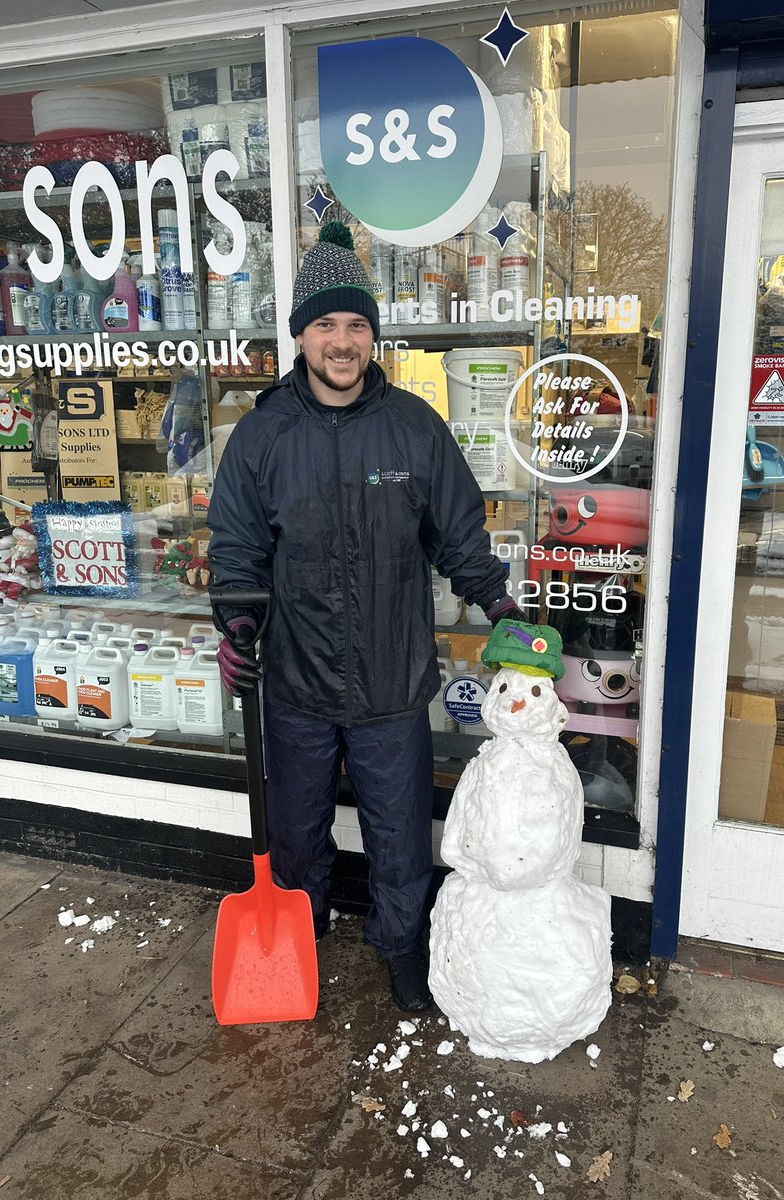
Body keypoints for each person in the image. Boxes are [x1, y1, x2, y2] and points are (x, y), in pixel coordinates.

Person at [207, 221, 523, 1012]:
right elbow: (239, 548)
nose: (341, 342)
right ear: (302, 336)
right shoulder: (261, 436)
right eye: (325, 325)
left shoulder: (414, 427)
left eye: (355, 326)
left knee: (396, 833)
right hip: (297, 680)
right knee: (299, 828)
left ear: (372, 336)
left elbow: (460, 535)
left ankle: (399, 947)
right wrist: (237, 626)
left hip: (390, 679)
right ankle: (299, 934)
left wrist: (501, 605)